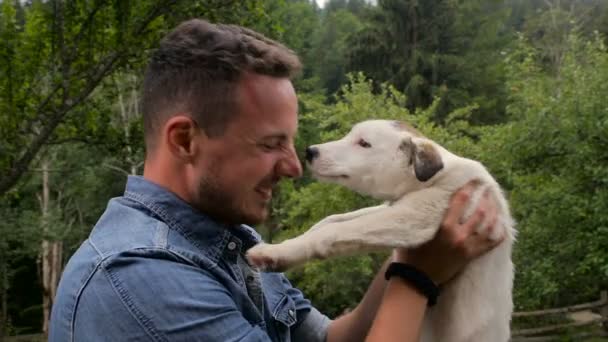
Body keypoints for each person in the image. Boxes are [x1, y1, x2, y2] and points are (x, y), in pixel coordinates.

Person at [49, 19, 502, 341]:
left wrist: (416, 235)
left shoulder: (229, 243)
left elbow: (328, 339)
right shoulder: (142, 279)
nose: (292, 166)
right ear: (186, 140)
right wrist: (416, 277)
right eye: (270, 145)